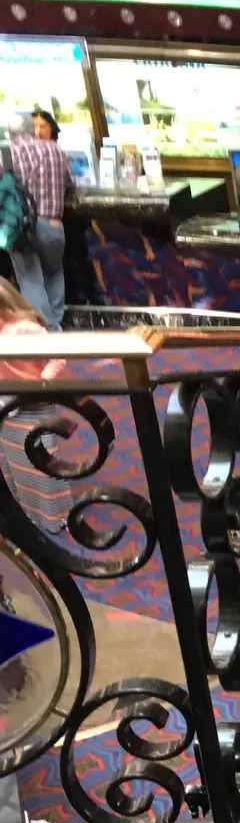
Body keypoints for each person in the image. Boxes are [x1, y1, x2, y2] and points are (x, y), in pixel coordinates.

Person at [0, 277, 68, 533]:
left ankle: (55, 517)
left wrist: (41, 384)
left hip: (34, 405)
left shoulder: (25, 328)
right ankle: (27, 512)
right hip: (6, 405)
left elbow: (57, 357)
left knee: (42, 462)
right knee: (16, 463)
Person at [10, 109, 75, 330]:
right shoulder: (55, 150)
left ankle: (44, 332)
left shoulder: (9, 153)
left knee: (30, 280)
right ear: (32, 130)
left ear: (11, 134)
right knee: (54, 273)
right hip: (53, 225)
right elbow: (71, 183)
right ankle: (55, 328)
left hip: (23, 227)